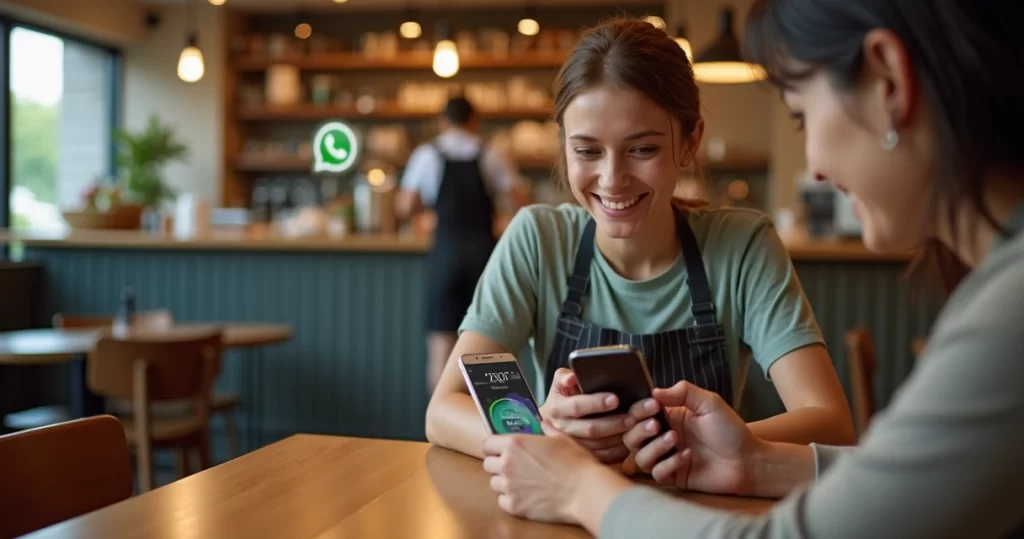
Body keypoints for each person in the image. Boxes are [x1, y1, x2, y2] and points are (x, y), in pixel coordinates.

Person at [481, 2, 1024, 538]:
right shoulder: (1000, 289)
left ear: (888, 83)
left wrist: (579, 487)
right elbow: (911, 492)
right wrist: (753, 461)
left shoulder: (1010, 312)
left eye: (802, 115)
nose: (812, 164)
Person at [425, 18, 855, 464]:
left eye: (642, 149)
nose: (612, 180)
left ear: (690, 143)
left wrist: (694, 441)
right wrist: (543, 431)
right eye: (587, 151)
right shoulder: (538, 239)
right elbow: (442, 411)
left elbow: (830, 423)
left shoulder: (743, 245)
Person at [397, 96, 527, 394]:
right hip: (485, 258)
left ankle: (441, 428)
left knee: (441, 350)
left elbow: (405, 206)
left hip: (445, 255)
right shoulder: (491, 153)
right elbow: (519, 204)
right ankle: (491, 430)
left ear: (443, 121)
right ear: (474, 121)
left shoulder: (426, 154)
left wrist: (428, 214)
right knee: (491, 350)